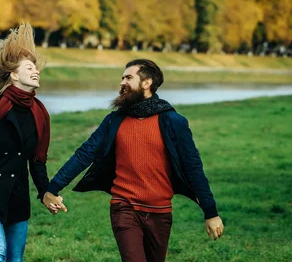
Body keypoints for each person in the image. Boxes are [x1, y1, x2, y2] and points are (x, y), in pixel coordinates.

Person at [43, 59, 224, 262]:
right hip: (124, 207)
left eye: (129, 77)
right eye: (122, 78)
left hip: (160, 212)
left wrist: (211, 212)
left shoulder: (172, 121)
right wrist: (53, 188)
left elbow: (193, 168)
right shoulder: (114, 121)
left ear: (147, 83)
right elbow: (84, 154)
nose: (122, 82)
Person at [0, 22, 61, 262]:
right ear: (14, 74)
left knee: (15, 258)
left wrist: (45, 193)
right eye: (29, 68)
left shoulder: (38, 114)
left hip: (17, 197)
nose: (36, 71)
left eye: (36, 68)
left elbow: (37, 162)